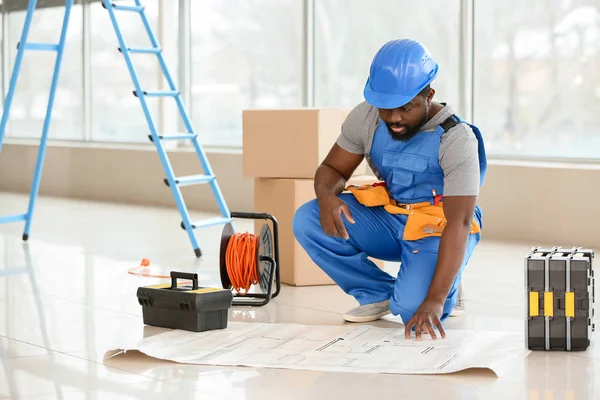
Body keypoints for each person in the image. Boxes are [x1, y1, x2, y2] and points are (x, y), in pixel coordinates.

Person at [292, 39, 487, 340]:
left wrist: (434, 300)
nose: (394, 118)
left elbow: (459, 222)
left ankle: (450, 281)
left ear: (429, 95)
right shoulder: (367, 116)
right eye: (386, 108)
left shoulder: (456, 139)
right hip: (391, 217)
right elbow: (331, 169)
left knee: (415, 311)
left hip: (439, 226)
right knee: (307, 218)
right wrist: (327, 197)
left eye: (405, 108)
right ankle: (377, 292)